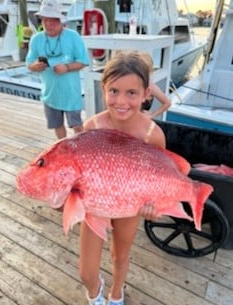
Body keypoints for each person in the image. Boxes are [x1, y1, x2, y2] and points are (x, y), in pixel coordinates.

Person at [80, 51, 166, 305]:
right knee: (86, 271)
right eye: (114, 91)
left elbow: (158, 179)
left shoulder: (153, 135)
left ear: (146, 94)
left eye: (131, 93)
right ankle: (95, 293)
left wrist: (154, 206)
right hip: (95, 204)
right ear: (103, 88)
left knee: (121, 255)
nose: (121, 101)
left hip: (129, 205)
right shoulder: (92, 128)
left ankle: (116, 293)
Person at [26, 0, 89, 139]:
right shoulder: (36, 39)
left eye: (53, 20)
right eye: (45, 20)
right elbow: (29, 64)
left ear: (60, 20)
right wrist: (35, 66)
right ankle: (63, 151)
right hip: (50, 95)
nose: (48, 24)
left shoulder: (73, 36)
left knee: (77, 126)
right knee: (57, 126)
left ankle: (80, 152)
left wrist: (66, 67)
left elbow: (84, 61)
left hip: (71, 95)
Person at [140, 52, 171, 118]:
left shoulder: (151, 86)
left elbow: (167, 103)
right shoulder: (130, 84)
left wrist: (152, 115)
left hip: (141, 123)